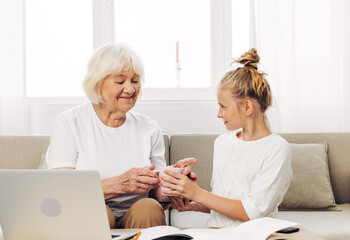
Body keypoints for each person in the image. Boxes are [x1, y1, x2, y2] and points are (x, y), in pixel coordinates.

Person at [46, 42, 196, 229]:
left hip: (137, 216)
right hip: (89, 215)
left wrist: (173, 183)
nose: (130, 89)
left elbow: (157, 195)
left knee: (149, 207)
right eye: (120, 81)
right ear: (97, 83)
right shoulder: (69, 122)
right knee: (98, 211)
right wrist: (119, 184)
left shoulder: (150, 128)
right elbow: (62, 190)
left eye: (134, 81)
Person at [160, 48, 293, 227]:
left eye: (223, 106)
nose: (219, 114)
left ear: (247, 107)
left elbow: (252, 212)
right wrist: (193, 203)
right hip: (217, 232)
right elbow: (225, 202)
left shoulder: (276, 148)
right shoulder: (222, 143)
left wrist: (196, 193)